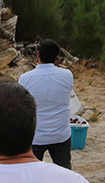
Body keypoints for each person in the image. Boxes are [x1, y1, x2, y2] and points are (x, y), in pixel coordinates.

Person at [18, 39, 74, 169]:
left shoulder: (25, 78)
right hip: (61, 134)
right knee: (64, 172)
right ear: (56, 57)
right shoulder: (67, 75)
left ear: (38, 55)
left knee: (32, 173)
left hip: (36, 135)